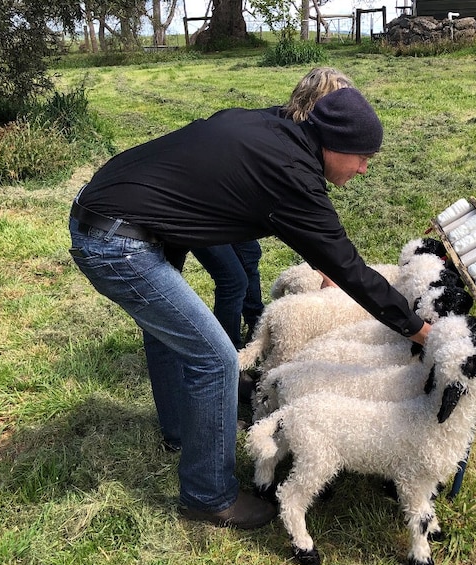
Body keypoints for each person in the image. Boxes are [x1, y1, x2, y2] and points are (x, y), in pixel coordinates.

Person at [68, 87, 432, 529]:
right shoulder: (291, 173)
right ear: (332, 144)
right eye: (361, 157)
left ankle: (182, 431)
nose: (364, 168)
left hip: (108, 209)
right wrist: (419, 330)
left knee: (168, 332)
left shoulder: (277, 129)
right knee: (217, 359)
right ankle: (208, 496)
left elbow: (201, 180)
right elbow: (351, 269)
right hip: (117, 241)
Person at [144, 68, 357, 442]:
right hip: (195, 211)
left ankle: (250, 335)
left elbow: (303, 217)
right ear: (313, 108)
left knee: (249, 258)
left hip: (221, 207)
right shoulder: (283, 146)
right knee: (232, 280)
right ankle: (230, 362)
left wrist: (326, 261)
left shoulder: (289, 135)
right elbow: (301, 212)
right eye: (338, 109)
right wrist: (330, 264)